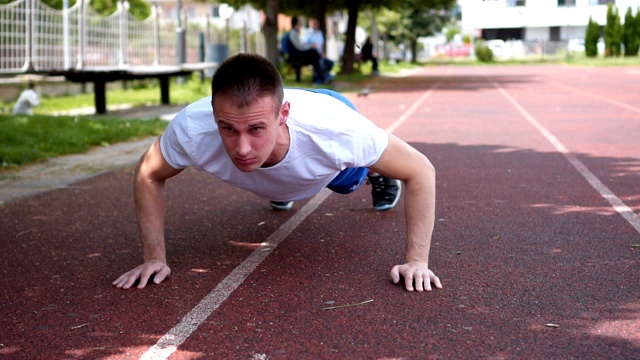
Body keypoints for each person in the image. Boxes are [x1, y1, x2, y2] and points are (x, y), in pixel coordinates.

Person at [112, 53, 442, 293]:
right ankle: (280, 188)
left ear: (283, 114)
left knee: (347, 180)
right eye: (227, 128)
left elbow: (421, 170)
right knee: (275, 180)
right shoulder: (191, 129)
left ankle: (377, 172)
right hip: (289, 152)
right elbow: (148, 173)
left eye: (256, 128)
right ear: (213, 113)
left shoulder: (336, 132)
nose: (242, 148)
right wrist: (153, 257)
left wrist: (417, 261)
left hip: (328, 119)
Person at [286, 17, 330, 84]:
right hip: (297, 57)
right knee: (314, 54)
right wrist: (311, 46)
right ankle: (320, 78)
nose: (300, 26)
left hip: (299, 55)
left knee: (315, 56)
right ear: (296, 24)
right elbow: (300, 47)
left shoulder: (295, 33)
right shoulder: (293, 33)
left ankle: (319, 78)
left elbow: (301, 45)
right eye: (299, 24)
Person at [305, 18, 334, 83]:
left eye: (316, 24)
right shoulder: (308, 32)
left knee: (329, 63)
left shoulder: (319, 33)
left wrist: (323, 53)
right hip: (312, 55)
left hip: (320, 54)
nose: (315, 25)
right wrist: (311, 45)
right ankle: (320, 79)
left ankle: (324, 77)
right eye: (314, 23)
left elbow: (322, 44)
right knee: (319, 64)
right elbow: (305, 43)